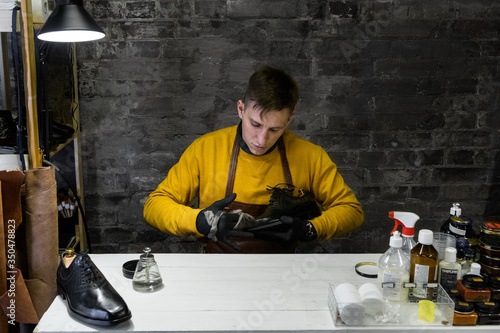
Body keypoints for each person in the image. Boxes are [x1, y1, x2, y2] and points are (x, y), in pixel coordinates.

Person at [143, 66, 364, 253]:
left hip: (282, 272)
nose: (262, 139)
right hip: (217, 271)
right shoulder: (206, 149)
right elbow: (155, 206)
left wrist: (308, 229)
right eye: (256, 124)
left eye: (275, 129)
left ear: (289, 121)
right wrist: (200, 220)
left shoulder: (310, 156)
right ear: (241, 109)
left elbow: (351, 210)